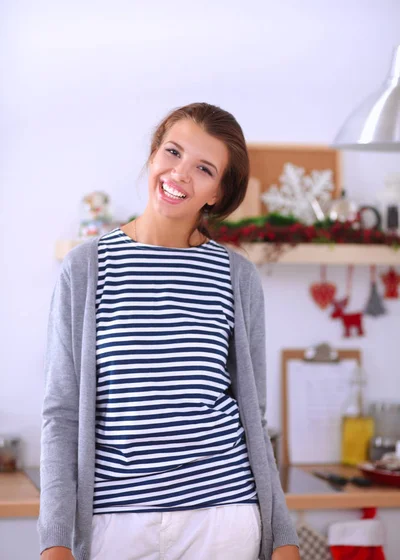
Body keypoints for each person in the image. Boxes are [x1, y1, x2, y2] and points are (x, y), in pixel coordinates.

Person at [38, 102, 300, 560]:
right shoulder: (87, 269)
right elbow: (62, 413)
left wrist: (282, 536)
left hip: (225, 519)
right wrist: (55, 540)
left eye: (204, 168)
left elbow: (252, 417)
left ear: (217, 192)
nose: (180, 174)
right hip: (115, 524)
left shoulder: (236, 277)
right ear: (154, 153)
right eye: (173, 152)